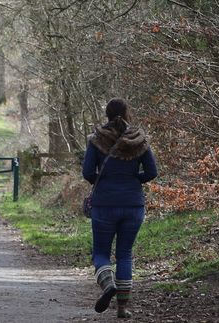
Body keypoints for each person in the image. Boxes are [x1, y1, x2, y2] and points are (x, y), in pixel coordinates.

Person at [84, 99, 158, 318]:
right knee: (124, 255)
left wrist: (104, 181)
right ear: (127, 113)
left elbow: (88, 172)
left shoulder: (96, 140)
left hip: (104, 204)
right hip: (133, 204)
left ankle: (108, 286)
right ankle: (123, 308)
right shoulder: (139, 140)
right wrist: (134, 180)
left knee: (100, 253)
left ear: (107, 115)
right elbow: (152, 172)